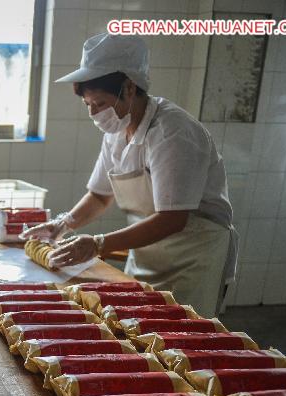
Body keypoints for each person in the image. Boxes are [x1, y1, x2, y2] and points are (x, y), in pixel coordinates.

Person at [22, 33, 237, 317]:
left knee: (181, 336)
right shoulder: (117, 131)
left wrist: (99, 244)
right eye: (88, 105)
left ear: (129, 88)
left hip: (192, 258)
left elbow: (173, 218)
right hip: (147, 251)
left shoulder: (172, 132)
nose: (93, 113)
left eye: (98, 103)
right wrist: (63, 225)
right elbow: (99, 196)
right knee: (136, 331)